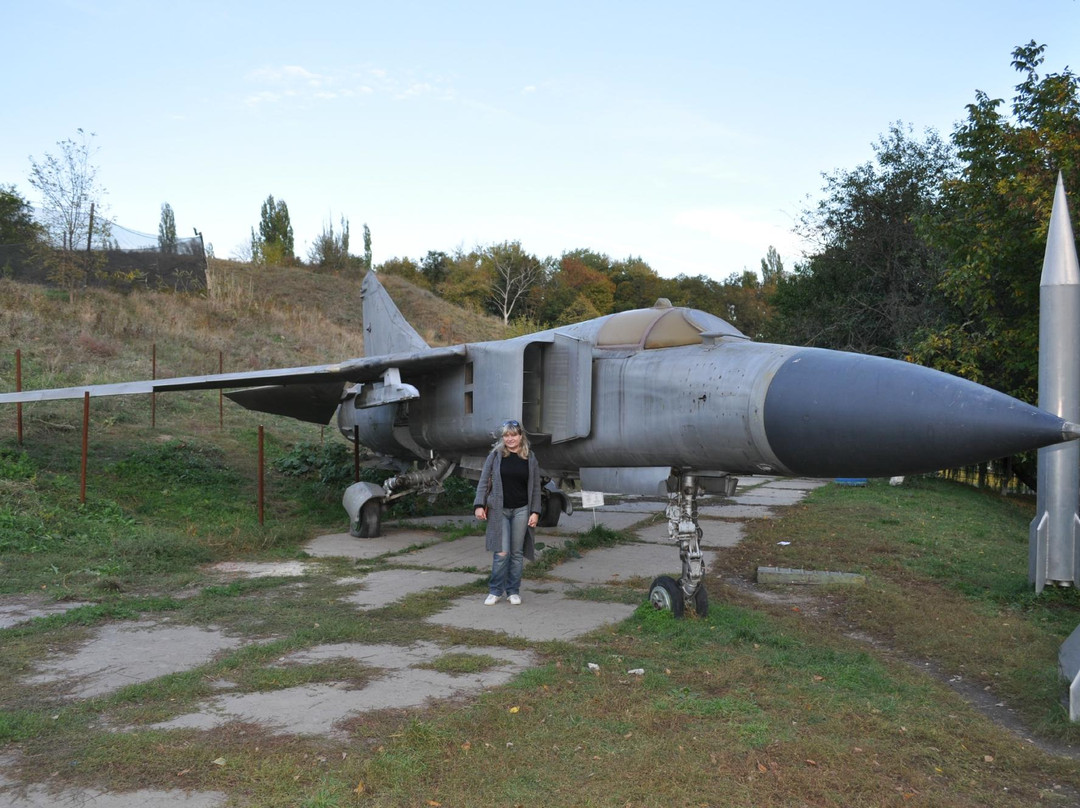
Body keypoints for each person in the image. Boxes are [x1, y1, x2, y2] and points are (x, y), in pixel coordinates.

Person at [473, 419, 542, 605]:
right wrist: (479, 505)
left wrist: (535, 511)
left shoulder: (530, 458)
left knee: (517, 553)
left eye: (513, 435)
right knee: (502, 552)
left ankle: (513, 590)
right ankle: (495, 590)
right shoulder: (495, 456)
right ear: (503, 437)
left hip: (522, 510)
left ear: (521, 436)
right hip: (498, 510)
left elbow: (535, 487)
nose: (510, 439)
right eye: (506, 435)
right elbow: (483, 481)